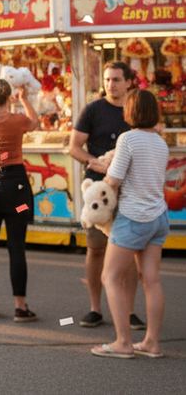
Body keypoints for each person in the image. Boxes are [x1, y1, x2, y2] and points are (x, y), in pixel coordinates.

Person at [92, 89, 170, 359]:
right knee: (151, 281)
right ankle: (151, 342)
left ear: (130, 111)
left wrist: (103, 170)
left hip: (133, 218)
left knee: (110, 277)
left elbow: (113, 181)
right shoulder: (160, 143)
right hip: (158, 217)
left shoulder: (128, 139)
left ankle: (123, 342)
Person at [70, 61, 146, 330]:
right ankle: (95, 308)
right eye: (107, 79)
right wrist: (95, 162)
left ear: (128, 82)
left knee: (130, 252)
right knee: (95, 249)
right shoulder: (93, 109)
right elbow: (74, 147)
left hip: (127, 191)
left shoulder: (134, 111)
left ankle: (129, 310)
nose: (110, 84)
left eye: (115, 79)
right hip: (97, 193)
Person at [0, 78, 39, 321]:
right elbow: (34, 122)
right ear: (9, 95)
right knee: (17, 247)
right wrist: (24, 99)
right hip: (17, 190)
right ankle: (20, 306)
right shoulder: (17, 120)